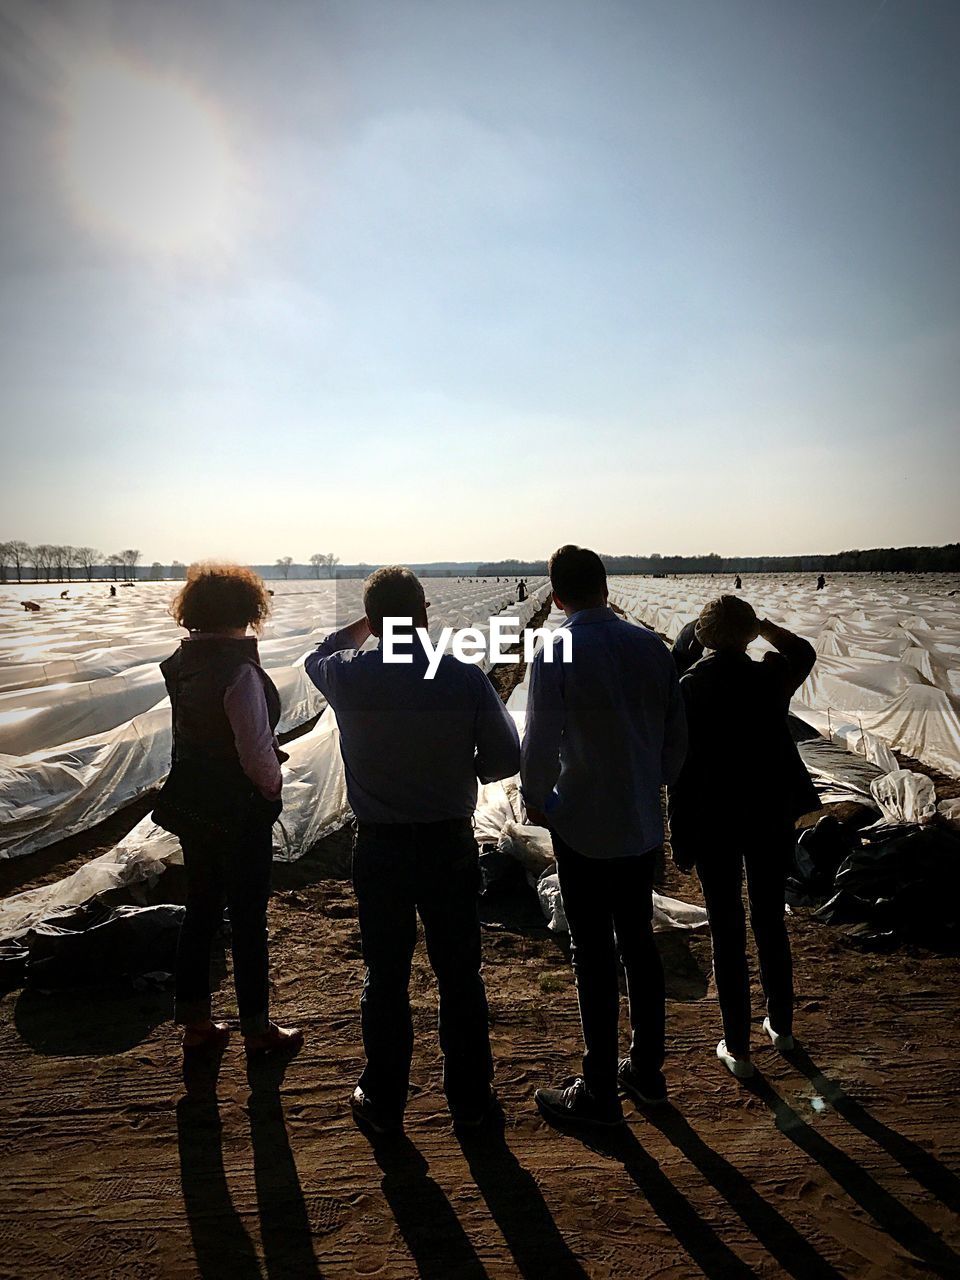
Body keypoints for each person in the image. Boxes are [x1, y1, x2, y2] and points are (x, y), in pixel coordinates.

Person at [305, 566, 520, 1133]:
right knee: (459, 974)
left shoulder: (347, 675)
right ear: (425, 614)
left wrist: (369, 623)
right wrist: (456, 770)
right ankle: (472, 1102)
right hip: (449, 843)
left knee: (386, 974)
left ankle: (383, 1098)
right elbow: (503, 759)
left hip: (380, 848)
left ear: (373, 621)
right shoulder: (462, 678)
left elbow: (319, 651)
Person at [521, 545, 687, 1128]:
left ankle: (598, 1090)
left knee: (592, 951)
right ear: (606, 586)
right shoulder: (649, 646)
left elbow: (540, 742)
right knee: (638, 941)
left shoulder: (555, 648)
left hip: (584, 824)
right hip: (640, 822)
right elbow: (676, 739)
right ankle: (646, 1071)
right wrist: (649, 784)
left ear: (556, 594)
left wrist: (539, 801)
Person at [668, 595, 818, 1080]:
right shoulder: (769, 677)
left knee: (727, 930)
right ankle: (782, 1025)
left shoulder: (691, 685)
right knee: (770, 920)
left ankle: (738, 1045)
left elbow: (681, 769)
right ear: (749, 634)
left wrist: (680, 833)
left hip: (716, 819)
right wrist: (764, 626)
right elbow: (804, 653)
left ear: (703, 636)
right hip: (768, 813)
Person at [157, 563, 302, 1059]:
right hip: (235, 805)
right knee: (247, 917)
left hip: (192, 799)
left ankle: (195, 1021)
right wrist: (271, 790)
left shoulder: (184, 661)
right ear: (246, 611)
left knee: (200, 907)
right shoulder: (238, 670)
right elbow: (255, 750)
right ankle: (258, 1029)